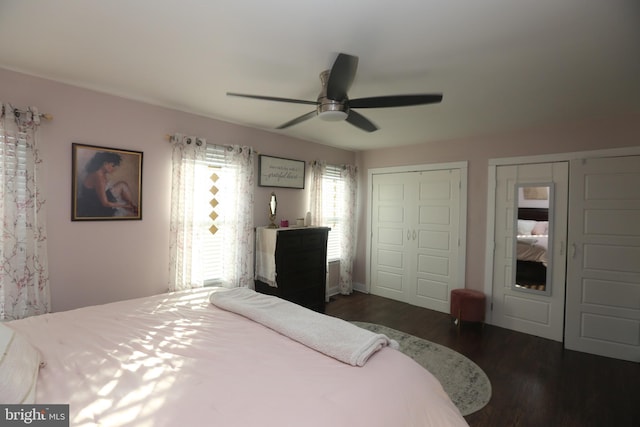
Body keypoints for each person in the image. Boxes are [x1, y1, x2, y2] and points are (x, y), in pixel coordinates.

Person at [77, 151, 139, 217]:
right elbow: (105, 203)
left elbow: (102, 190)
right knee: (129, 211)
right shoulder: (98, 177)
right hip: (96, 205)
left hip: (98, 197)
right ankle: (131, 207)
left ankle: (131, 206)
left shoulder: (99, 173)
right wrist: (124, 206)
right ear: (105, 163)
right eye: (113, 166)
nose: (114, 169)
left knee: (123, 184)